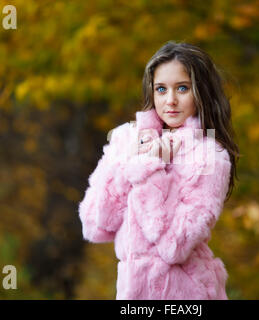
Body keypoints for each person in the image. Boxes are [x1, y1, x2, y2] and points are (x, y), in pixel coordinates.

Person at [78, 41, 240, 300]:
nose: (171, 100)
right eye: (161, 89)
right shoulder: (127, 139)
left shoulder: (210, 157)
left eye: (183, 88)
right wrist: (131, 160)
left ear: (200, 92)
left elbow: (174, 246)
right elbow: (95, 225)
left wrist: (148, 168)